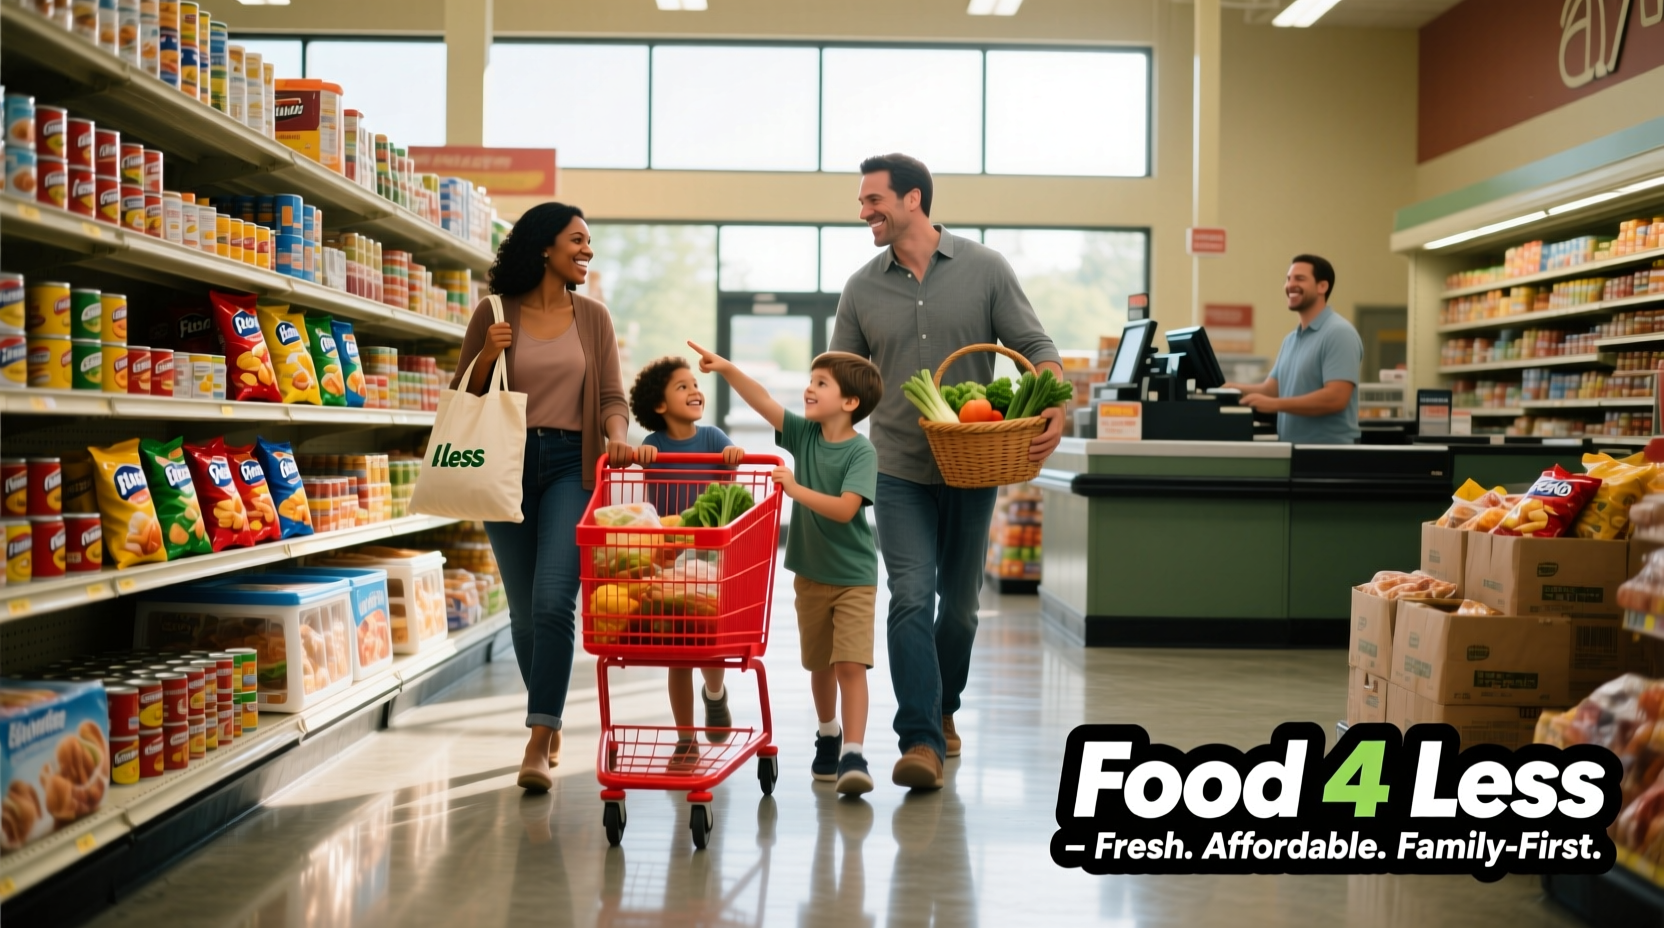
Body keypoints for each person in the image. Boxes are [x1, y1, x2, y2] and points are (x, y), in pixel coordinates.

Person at [828, 153, 1063, 790]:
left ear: (913, 200)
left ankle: (944, 705)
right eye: (862, 201)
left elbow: (1036, 347)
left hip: (973, 466)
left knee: (959, 609)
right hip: (896, 468)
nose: (864, 211)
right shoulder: (861, 288)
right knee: (910, 596)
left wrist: (1053, 400)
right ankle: (920, 740)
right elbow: (842, 381)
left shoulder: (986, 269)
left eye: (873, 200)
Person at [452, 201, 635, 792]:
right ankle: (547, 715)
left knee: (555, 600)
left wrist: (617, 437)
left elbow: (611, 396)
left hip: (569, 467)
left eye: (588, 241)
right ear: (544, 247)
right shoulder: (493, 312)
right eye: (577, 240)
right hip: (502, 464)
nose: (587, 250)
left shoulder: (594, 318)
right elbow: (461, 397)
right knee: (526, 612)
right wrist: (488, 354)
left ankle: (538, 736)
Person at [687, 341, 884, 797]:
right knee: (820, 665)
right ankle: (829, 733)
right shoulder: (804, 435)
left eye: (821, 383)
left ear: (850, 402)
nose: (809, 389)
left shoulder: (862, 452)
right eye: (811, 381)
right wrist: (727, 369)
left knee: (850, 663)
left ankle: (854, 753)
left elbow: (845, 509)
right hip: (810, 575)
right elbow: (761, 399)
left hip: (855, 577)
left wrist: (794, 489)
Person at [627, 355, 746, 761]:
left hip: (711, 556)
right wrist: (642, 457)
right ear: (660, 405)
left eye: (695, 384)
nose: (695, 391)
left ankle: (714, 692)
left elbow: (733, 462)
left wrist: (733, 456)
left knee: (709, 639)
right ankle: (685, 738)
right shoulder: (654, 445)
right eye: (683, 386)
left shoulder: (713, 437)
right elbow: (642, 457)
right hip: (669, 557)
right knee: (678, 651)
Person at [1222, 254, 1363, 445]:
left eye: (1300, 278)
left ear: (1322, 286)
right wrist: (1231, 388)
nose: (1290, 285)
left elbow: (1336, 398)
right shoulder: (1291, 340)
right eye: (1288, 279)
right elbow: (1272, 390)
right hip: (1292, 449)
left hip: (1329, 452)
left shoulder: (1339, 333)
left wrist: (1274, 405)